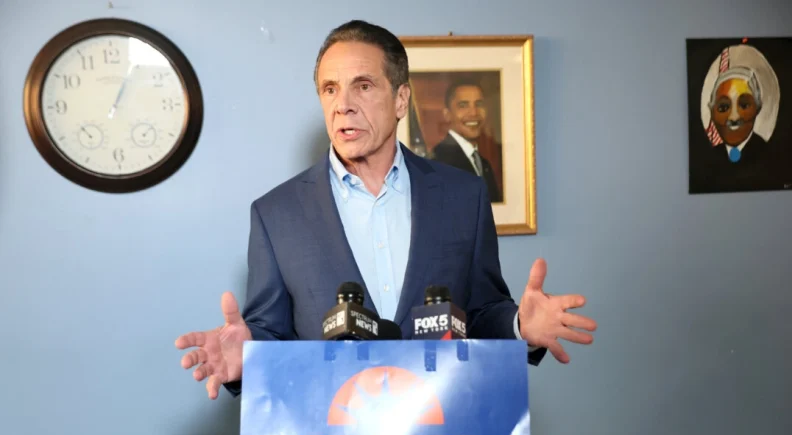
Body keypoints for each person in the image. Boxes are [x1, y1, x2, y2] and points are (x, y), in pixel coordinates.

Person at [175, 19, 597, 400]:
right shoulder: (275, 214)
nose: (342, 104)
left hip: (444, 423)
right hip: (330, 426)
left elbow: (483, 313)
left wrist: (520, 325)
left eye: (362, 86)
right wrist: (246, 355)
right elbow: (271, 333)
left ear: (400, 99)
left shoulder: (463, 196)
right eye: (329, 88)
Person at [431, 78, 503, 202]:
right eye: (463, 105)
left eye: (478, 104)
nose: (474, 113)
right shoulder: (438, 161)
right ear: (447, 114)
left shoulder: (484, 164)